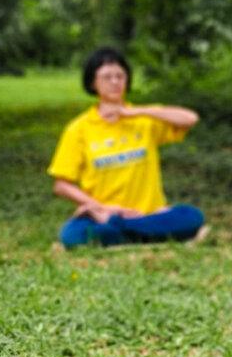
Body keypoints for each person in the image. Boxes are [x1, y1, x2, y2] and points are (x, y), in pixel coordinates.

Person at [48, 47, 205, 249]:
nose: (115, 82)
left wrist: (135, 112)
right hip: (103, 215)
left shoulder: (144, 119)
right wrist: (99, 208)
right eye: (107, 77)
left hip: (149, 213)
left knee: (191, 216)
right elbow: (61, 185)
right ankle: (141, 232)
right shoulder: (79, 129)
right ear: (92, 83)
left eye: (120, 76)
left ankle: (122, 230)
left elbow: (190, 119)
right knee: (71, 235)